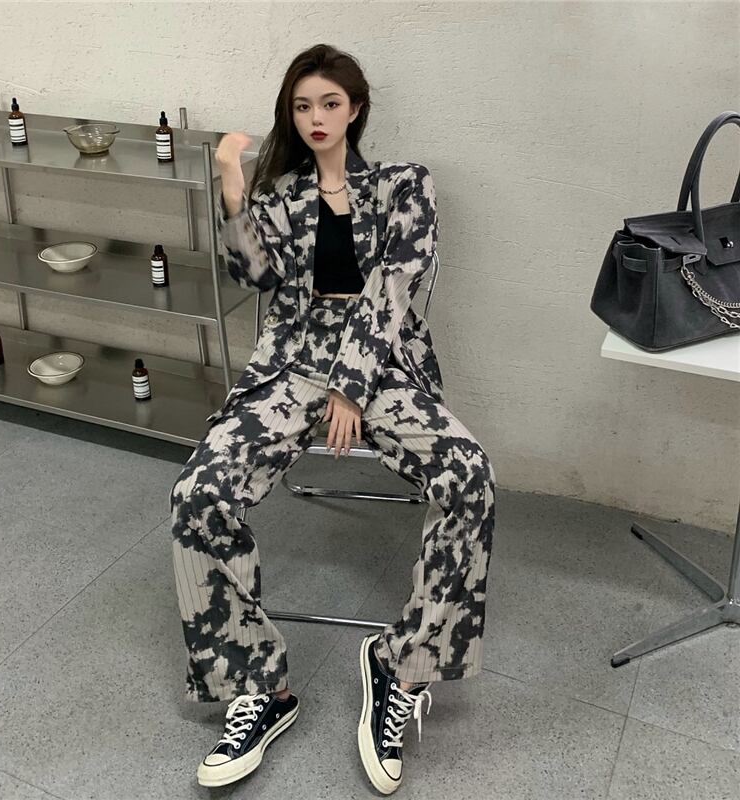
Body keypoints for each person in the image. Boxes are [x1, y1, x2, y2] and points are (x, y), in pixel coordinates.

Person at [169, 43, 496, 795]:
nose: (315, 118)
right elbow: (253, 274)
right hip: (291, 364)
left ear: (356, 109)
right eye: (301, 106)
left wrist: (350, 387)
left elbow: (395, 288)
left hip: (382, 366)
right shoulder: (280, 195)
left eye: (329, 103)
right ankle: (259, 685)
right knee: (198, 493)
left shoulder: (406, 186)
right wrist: (231, 188)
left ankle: (399, 668)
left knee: (470, 478)